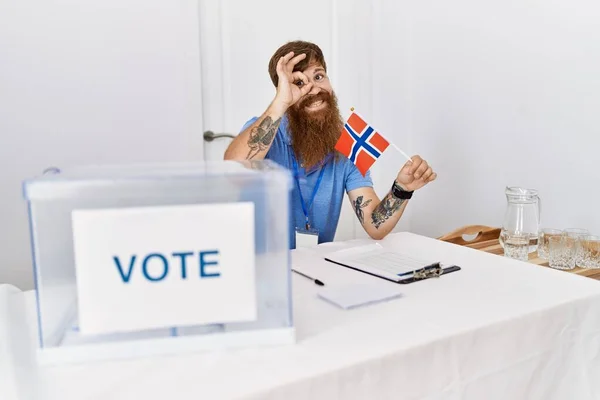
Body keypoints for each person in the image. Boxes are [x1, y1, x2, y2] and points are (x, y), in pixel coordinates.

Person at [224, 40, 437, 249]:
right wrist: (280, 102)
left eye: (319, 76)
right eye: (298, 83)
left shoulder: (347, 144)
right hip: (265, 267)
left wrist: (402, 189)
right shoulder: (265, 133)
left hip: (315, 269)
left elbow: (375, 225)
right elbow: (233, 168)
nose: (314, 89)